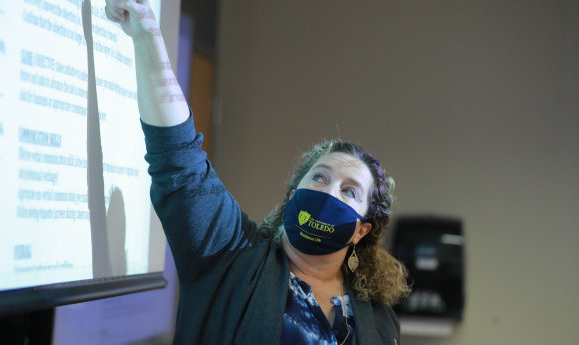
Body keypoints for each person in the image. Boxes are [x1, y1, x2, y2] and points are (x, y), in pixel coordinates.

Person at [105, 1, 410, 344]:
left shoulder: (380, 321)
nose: (328, 192)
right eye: (320, 177)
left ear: (361, 230)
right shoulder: (229, 256)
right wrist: (148, 36)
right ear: (294, 195)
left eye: (349, 191)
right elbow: (179, 160)